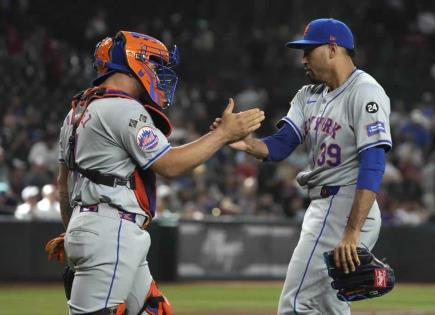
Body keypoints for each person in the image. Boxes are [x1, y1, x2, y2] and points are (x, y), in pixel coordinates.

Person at [56, 31, 264, 315]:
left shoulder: (77, 111)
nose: (157, 72)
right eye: (154, 64)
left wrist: (72, 232)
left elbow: (63, 184)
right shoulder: (123, 108)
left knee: (153, 310)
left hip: (90, 224)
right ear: (134, 61)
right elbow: (169, 165)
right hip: (112, 230)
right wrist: (222, 135)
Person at [213, 18, 392, 314]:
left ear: (333, 48)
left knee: (296, 304)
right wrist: (245, 143)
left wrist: (350, 232)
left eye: (309, 50)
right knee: (329, 304)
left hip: (345, 204)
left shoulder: (365, 91)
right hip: (324, 206)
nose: (303, 59)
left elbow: (373, 163)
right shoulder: (307, 95)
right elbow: (281, 144)